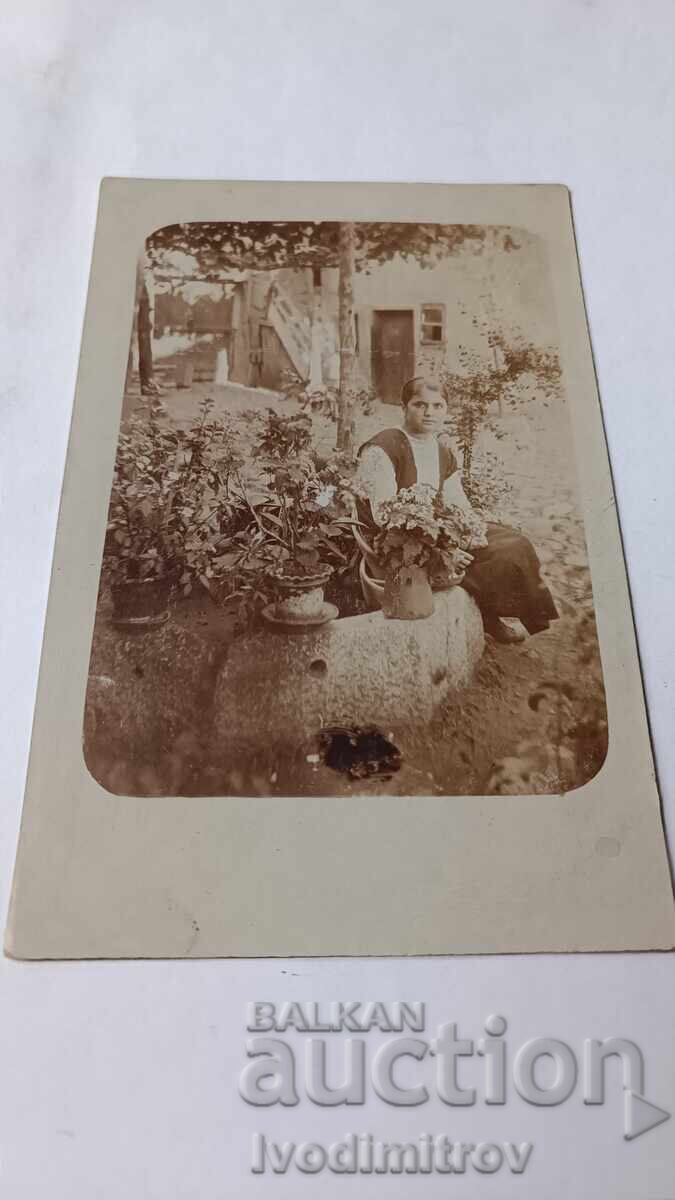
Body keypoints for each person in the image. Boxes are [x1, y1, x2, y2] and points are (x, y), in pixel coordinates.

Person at [355, 375, 558, 643]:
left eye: (438, 406)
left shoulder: (441, 451)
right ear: (404, 408)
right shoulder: (383, 448)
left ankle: (514, 615)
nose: (430, 413)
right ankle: (489, 618)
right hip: (397, 541)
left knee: (515, 543)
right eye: (420, 405)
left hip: (434, 527)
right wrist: (446, 548)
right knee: (486, 559)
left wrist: (470, 528)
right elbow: (385, 517)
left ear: (446, 410)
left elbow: (456, 501)